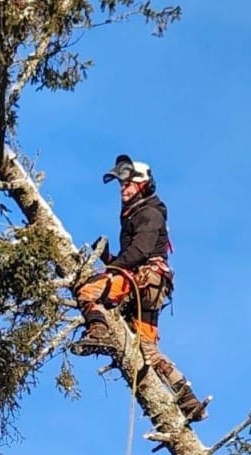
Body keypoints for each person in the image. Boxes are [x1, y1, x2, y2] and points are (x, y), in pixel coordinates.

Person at [71, 154, 208, 423]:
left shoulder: (148, 213)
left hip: (145, 280)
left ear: (143, 185)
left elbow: (139, 252)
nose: (123, 190)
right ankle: (188, 399)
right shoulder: (140, 213)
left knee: (88, 290)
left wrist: (111, 268)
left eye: (128, 184)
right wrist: (109, 258)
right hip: (150, 286)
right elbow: (134, 255)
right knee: (147, 350)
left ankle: (98, 331)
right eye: (122, 185)